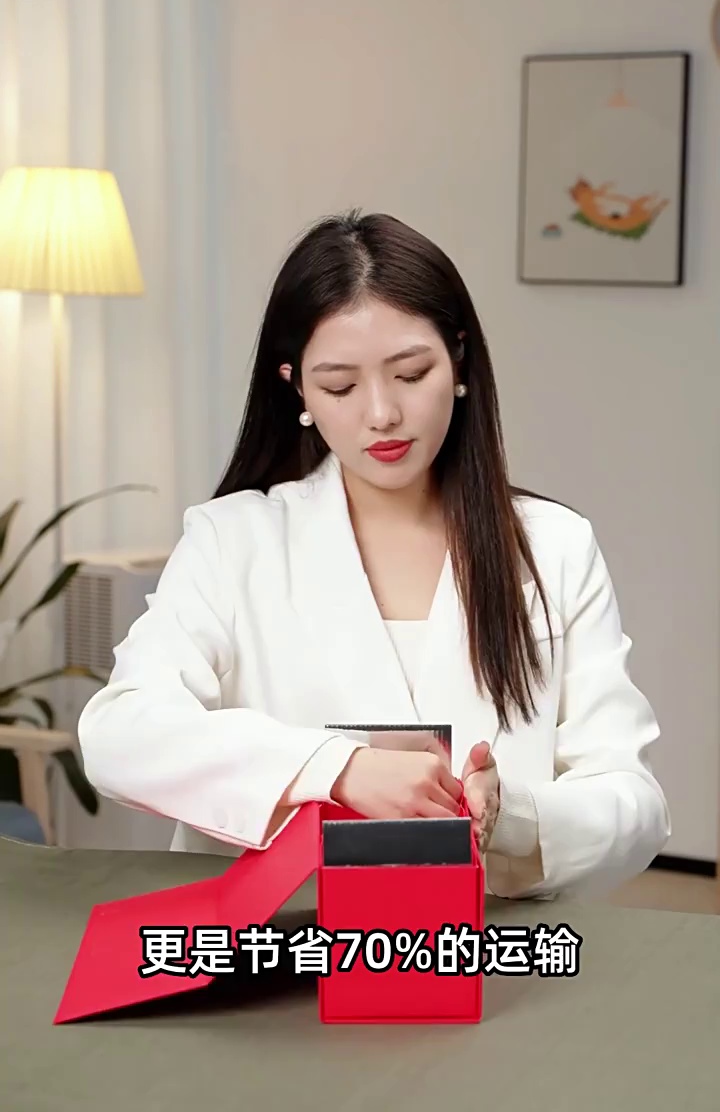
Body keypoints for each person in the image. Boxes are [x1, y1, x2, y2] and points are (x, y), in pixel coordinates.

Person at [78, 208, 671, 900]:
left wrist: (512, 816)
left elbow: (635, 804)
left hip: (479, 946)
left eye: (411, 374)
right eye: (340, 386)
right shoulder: (232, 539)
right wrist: (335, 768)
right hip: (280, 945)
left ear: (458, 362)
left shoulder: (553, 546)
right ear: (297, 387)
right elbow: (119, 735)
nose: (382, 413)